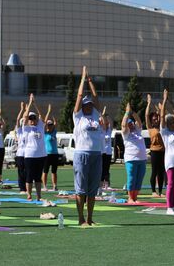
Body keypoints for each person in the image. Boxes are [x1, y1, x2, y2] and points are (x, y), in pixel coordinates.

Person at [72, 67, 104, 227]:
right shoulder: (78, 118)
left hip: (96, 155)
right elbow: (79, 96)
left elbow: (96, 97)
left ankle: (90, 218)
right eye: (86, 105)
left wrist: (91, 82)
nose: (89, 106)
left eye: (90, 105)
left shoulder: (95, 116)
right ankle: (81, 219)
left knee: (92, 190)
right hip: (82, 155)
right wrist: (83, 79)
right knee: (81, 189)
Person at [21, 93, 48, 201]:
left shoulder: (40, 126)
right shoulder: (26, 128)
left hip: (41, 155)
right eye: (30, 118)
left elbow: (42, 116)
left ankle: (38, 195)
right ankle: (29, 194)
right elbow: (25, 116)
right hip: (30, 155)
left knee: (38, 177)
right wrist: (29, 104)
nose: (32, 120)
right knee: (29, 176)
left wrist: (35, 104)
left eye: (34, 118)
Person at [121, 102, 146, 203]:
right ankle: (130, 198)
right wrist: (127, 113)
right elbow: (123, 125)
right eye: (129, 124)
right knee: (131, 178)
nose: (130, 125)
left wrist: (133, 112)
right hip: (131, 159)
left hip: (142, 159)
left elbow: (139, 121)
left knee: (139, 179)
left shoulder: (138, 131)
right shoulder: (126, 133)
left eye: (131, 123)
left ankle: (135, 197)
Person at [146, 94, 165, 197]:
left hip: (163, 151)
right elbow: (146, 115)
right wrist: (149, 103)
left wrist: (160, 109)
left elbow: (162, 116)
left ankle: (161, 191)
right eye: (153, 119)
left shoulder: (162, 127)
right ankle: (153, 191)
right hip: (154, 151)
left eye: (156, 119)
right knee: (154, 171)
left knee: (161, 172)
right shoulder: (150, 128)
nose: (155, 120)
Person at [42, 105, 59, 191]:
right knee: (45, 171)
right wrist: (48, 112)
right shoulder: (45, 133)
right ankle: (44, 186)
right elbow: (44, 122)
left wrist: (52, 113)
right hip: (47, 154)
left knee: (54, 171)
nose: (50, 126)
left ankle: (54, 185)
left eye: (51, 125)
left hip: (55, 154)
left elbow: (56, 122)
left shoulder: (54, 132)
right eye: (49, 125)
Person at [14, 102, 27, 193]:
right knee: (21, 171)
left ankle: (26, 186)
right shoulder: (19, 132)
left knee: (27, 171)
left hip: (28, 154)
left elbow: (26, 118)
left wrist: (27, 110)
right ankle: (22, 187)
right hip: (20, 154)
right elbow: (18, 120)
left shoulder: (28, 131)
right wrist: (22, 109)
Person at [100, 107, 113, 193]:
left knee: (107, 169)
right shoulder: (102, 131)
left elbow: (111, 123)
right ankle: (100, 186)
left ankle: (107, 185)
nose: (107, 124)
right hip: (102, 153)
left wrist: (107, 116)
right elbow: (104, 122)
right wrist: (103, 115)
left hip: (108, 153)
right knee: (101, 169)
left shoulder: (109, 131)